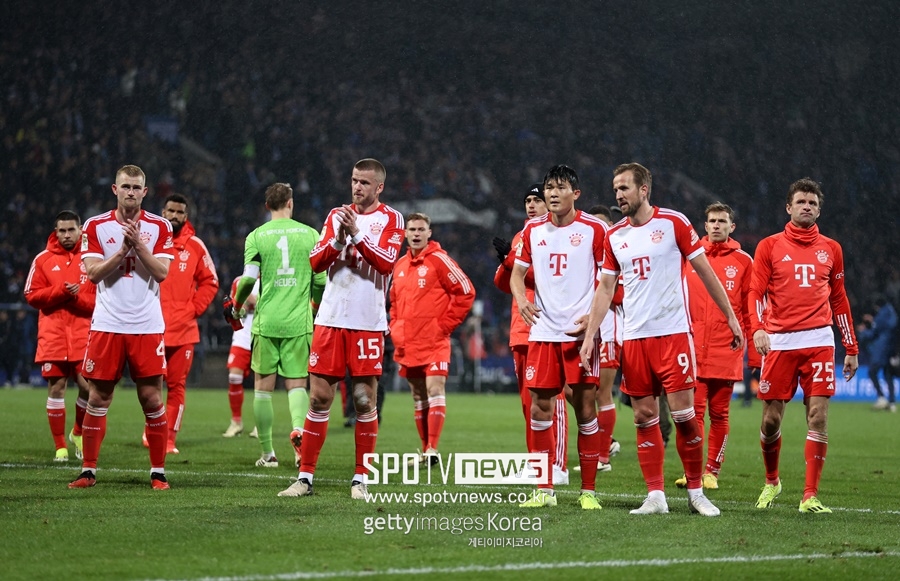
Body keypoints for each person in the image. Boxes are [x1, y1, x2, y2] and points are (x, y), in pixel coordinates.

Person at [579, 162, 742, 517]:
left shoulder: (674, 223)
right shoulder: (615, 235)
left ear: (643, 189)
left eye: (624, 188)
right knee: (643, 417)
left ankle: (697, 492)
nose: (618, 194)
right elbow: (606, 287)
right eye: (615, 188)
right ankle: (655, 495)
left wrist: (730, 316)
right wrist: (591, 334)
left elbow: (705, 271)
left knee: (685, 417)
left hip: (672, 335)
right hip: (634, 339)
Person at [279, 158, 404, 499]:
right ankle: (305, 478)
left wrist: (357, 235)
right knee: (320, 397)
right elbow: (316, 262)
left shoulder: (392, 219)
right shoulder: (336, 215)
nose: (357, 187)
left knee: (364, 400)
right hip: (331, 319)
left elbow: (386, 261)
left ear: (379, 187)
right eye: (353, 180)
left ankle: (361, 478)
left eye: (364, 182)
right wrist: (337, 239)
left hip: (366, 322)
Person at [749, 178, 858, 513]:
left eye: (812, 203)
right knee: (770, 421)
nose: (806, 207)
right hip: (779, 341)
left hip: (819, 341)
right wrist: (758, 328)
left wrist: (850, 346)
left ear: (819, 209)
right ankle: (772, 481)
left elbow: (838, 299)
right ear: (788, 207)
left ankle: (810, 495)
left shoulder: (832, 249)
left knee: (818, 417)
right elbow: (755, 293)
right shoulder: (768, 246)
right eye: (801, 202)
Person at [69, 164, 174, 490]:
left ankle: (158, 472)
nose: (130, 192)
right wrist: (123, 251)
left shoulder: (160, 226)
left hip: (146, 324)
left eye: (136, 187)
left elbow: (162, 273)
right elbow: (94, 274)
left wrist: (138, 246)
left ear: (145, 192)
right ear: (115, 190)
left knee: (152, 398)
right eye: (125, 186)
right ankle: (88, 471)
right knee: (98, 397)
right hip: (108, 323)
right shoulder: (95, 226)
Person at [510, 165, 609, 510]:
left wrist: (593, 321)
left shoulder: (595, 229)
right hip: (542, 333)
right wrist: (522, 299)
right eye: (549, 187)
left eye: (560, 187)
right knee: (540, 407)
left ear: (575, 194)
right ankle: (544, 489)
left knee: (584, 409)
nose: (552, 193)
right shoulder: (532, 229)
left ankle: (588, 491)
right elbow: (516, 274)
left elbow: (608, 279)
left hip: (578, 335)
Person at [226, 183, 325, 469]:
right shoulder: (310, 234)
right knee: (296, 386)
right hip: (298, 321)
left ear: (267, 206)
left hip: (267, 322)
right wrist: (315, 307)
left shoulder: (256, 236)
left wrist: (236, 306)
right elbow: (320, 281)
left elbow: (247, 280)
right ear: (291, 203)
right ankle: (298, 431)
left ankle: (268, 453)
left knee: (262, 390)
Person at [674, 203, 758, 490]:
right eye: (712, 221)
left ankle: (712, 471)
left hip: (726, 348)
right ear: (705, 225)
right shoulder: (690, 257)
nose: (717, 225)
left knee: (719, 413)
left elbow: (750, 310)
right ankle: (692, 472)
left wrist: (754, 352)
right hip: (693, 347)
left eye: (722, 221)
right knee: (691, 413)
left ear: (732, 227)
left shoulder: (744, 261)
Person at [493, 184, 571, 485]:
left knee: (555, 398)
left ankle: (559, 465)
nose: (531, 205)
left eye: (536, 200)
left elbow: (552, 279)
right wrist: (505, 263)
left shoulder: (556, 235)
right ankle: (538, 463)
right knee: (530, 403)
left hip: (549, 326)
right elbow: (505, 284)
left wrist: (511, 262)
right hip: (521, 328)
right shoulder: (522, 236)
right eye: (527, 200)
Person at [390, 212, 475, 464]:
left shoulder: (439, 260)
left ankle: (432, 449)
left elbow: (466, 292)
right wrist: (395, 326)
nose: (416, 234)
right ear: (405, 234)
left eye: (421, 229)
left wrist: (444, 325)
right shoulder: (400, 266)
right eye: (412, 229)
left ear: (429, 233)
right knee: (418, 396)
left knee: (435, 389)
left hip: (435, 341)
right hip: (408, 342)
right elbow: (394, 303)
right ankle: (425, 448)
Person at [24, 210, 96, 462]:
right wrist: (60, 291)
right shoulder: (42, 260)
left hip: (83, 334)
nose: (66, 235)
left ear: (80, 230)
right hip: (53, 334)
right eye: (62, 231)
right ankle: (60, 448)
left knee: (88, 388)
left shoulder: (91, 259)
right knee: (57, 387)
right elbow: (31, 296)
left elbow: (99, 301)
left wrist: (75, 297)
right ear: (55, 232)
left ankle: (77, 431)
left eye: (71, 230)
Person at [156, 193, 219, 453]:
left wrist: (193, 309)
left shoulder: (195, 246)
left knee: (176, 386)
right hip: (153, 328)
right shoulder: (149, 243)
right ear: (162, 212)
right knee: (150, 386)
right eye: (170, 210)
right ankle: (153, 431)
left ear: (186, 216)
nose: (174, 216)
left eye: (180, 212)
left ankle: (169, 439)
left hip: (183, 331)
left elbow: (211, 281)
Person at [222, 275, 260, 437]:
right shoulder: (238, 281)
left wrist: (256, 302)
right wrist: (239, 304)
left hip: (261, 335)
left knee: (262, 382)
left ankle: (260, 425)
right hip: (242, 336)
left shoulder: (270, 278)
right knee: (234, 377)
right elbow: (232, 311)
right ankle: (236, 422)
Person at [857, 295, 897, 411]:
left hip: (881, 350)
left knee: (872, 372)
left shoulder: (881, 316)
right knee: (887, 374)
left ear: (877, 306)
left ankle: (881, 397)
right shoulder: (891, 313)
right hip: (890, 349)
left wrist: (862, 332)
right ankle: (892, 402)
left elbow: (873, 333)